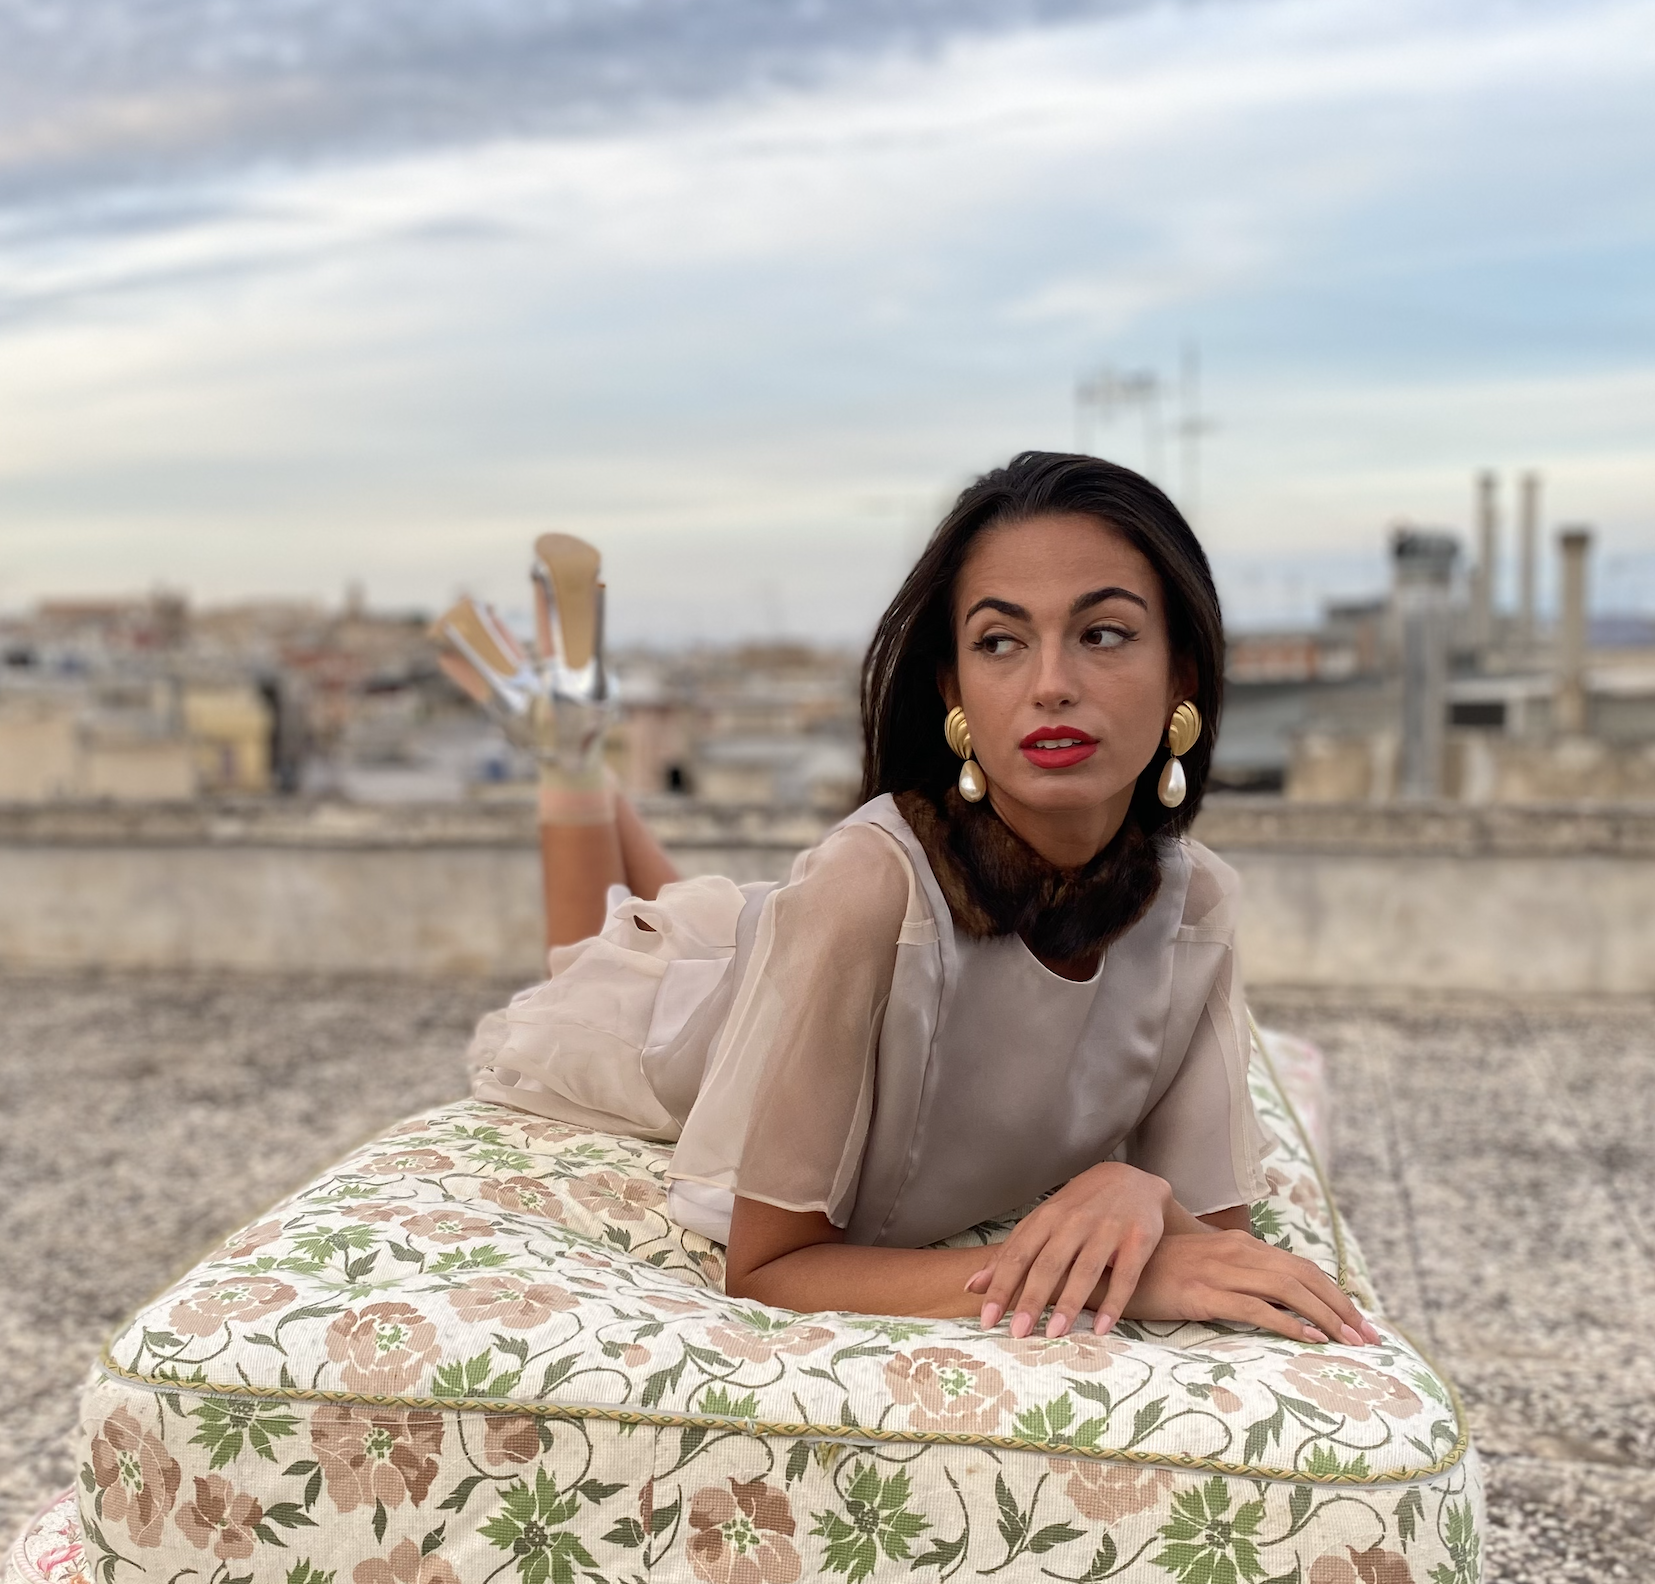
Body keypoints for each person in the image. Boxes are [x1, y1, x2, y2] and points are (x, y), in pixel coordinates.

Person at [444, 456, 1375, 1352]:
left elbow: (1216, 1237)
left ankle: (583, 751)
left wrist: (1134, 1196)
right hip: (690, 1021)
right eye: (1000, 641)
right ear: (953, 690)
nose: (1051, 683)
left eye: (1103, 633)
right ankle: (570, 750)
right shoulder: (867, 888)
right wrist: (1114, 1277)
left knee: (711, 913)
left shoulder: (1192, 901)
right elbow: (770, 1271)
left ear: (1184, 675)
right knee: (599, 958)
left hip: (799, 932)